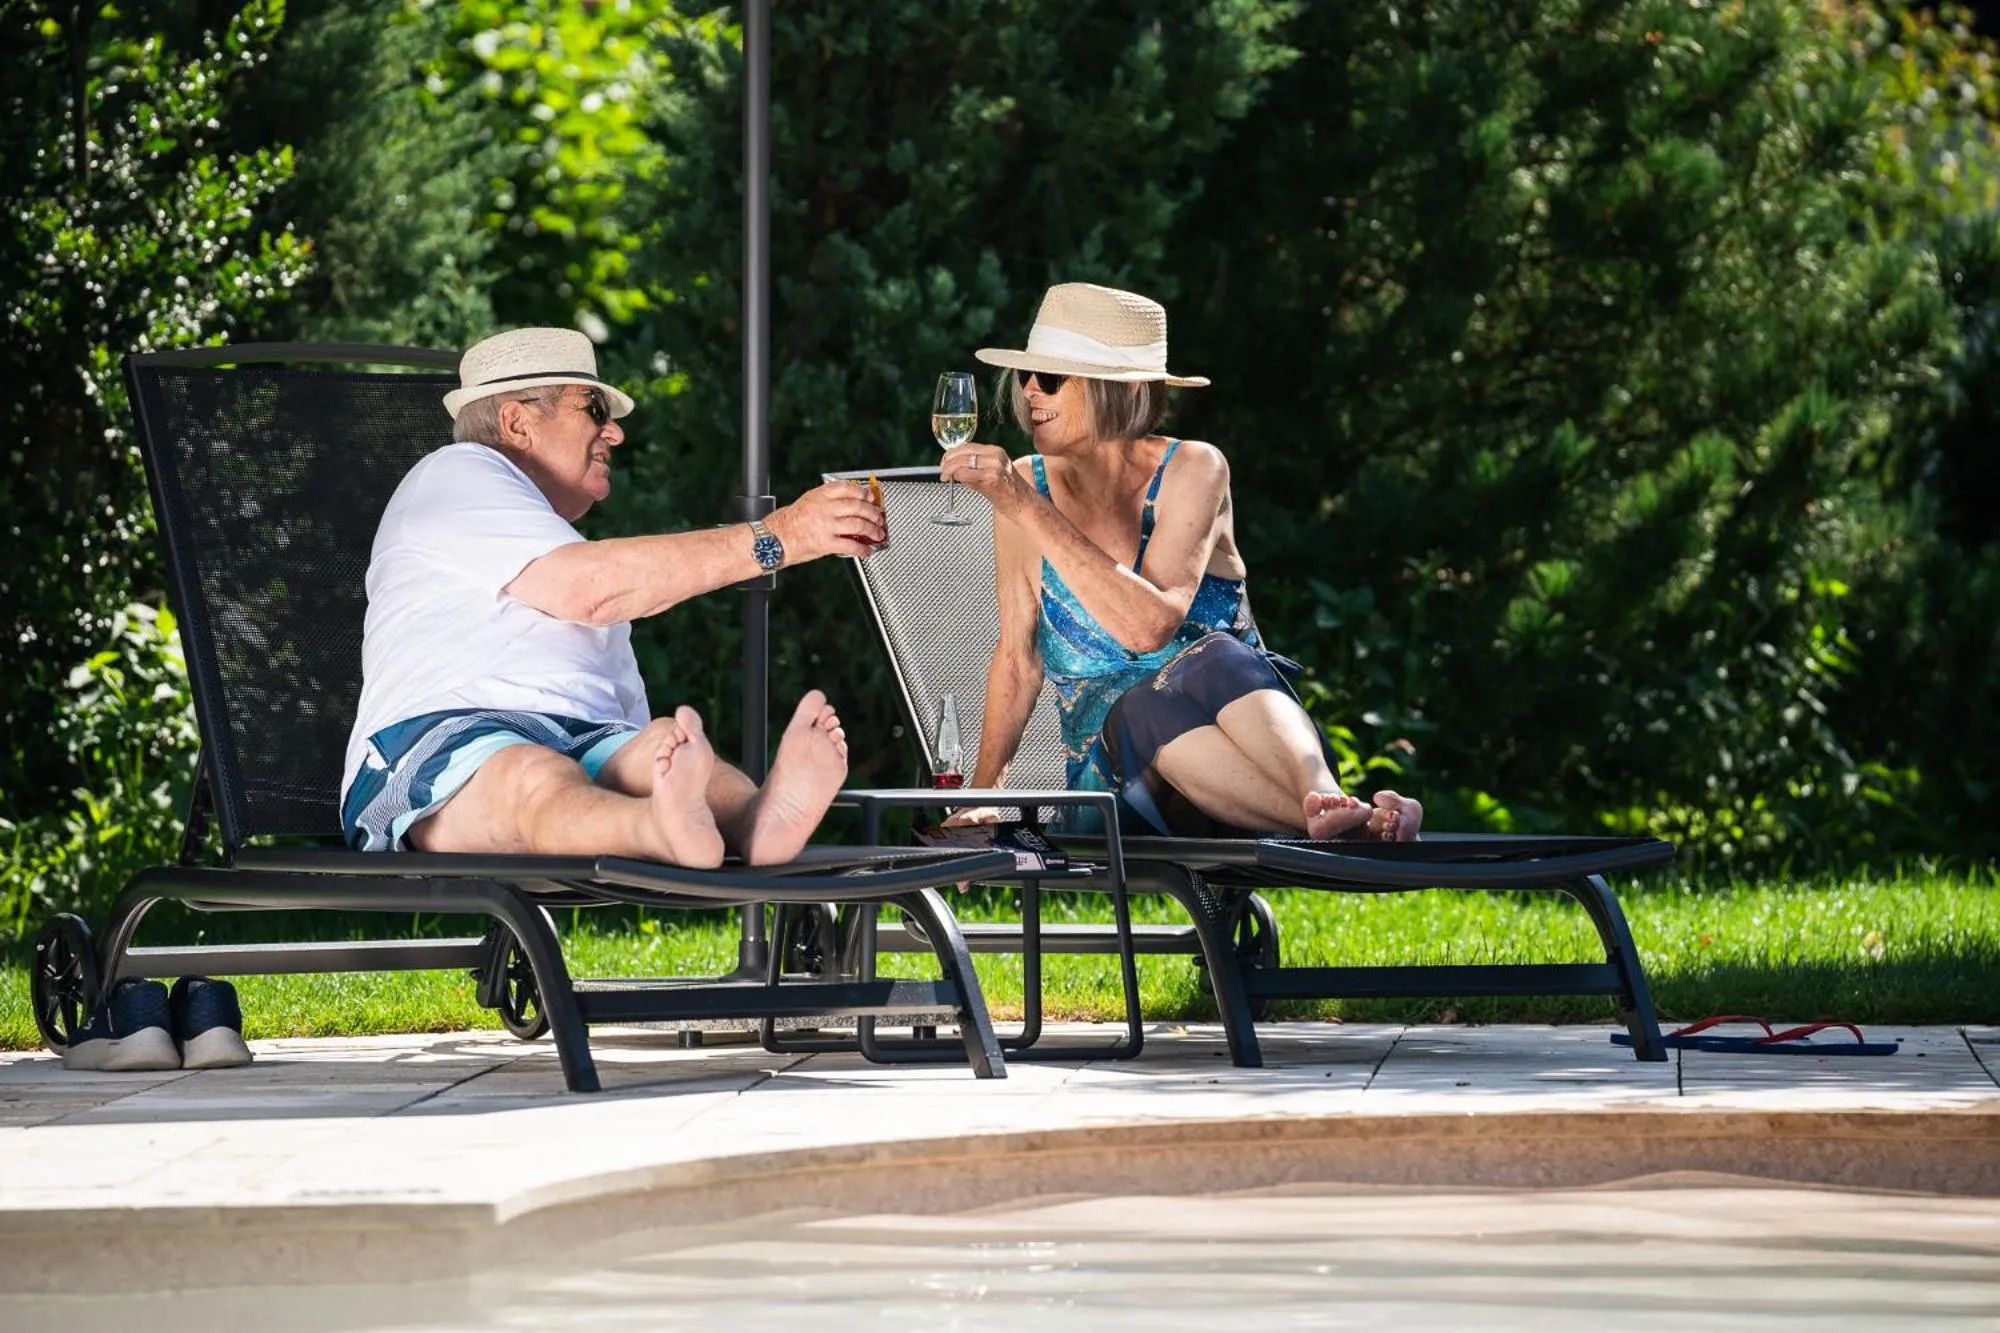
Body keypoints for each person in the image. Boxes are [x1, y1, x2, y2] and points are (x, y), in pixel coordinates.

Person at [340, 327, 886, 866]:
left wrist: (658, 759)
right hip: (444, 742)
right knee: (534, 776)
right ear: (516, 422)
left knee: (661, 749)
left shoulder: (548, 537)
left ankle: (756, 819)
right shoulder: (456, 473)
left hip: (580, 740)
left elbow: (609, 630)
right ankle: (655, 827)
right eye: (594, 409)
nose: (616, 434)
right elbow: (593, 591)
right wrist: (781, 535)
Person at [938, 283, 1421, 841]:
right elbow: (1018, 659)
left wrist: (1027, 510)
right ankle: (1354, 824)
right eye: (1025, 377)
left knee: (1215, 655)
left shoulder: (1194, 468)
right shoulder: (1025, 484)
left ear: (1117, 391)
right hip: (1112, 789)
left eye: (1048, 378)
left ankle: (1327, 801)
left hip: (1248, 756)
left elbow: (1150, 626)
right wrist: (984, 794)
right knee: (1142, 708)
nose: (1029, 394)